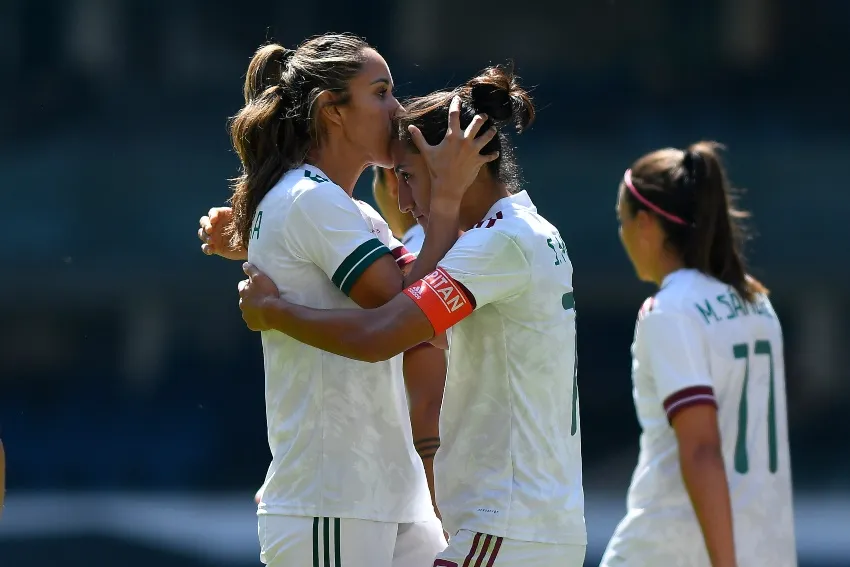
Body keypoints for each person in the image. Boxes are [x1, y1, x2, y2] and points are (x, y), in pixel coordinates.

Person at [236, 65, 588, 567]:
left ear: (457, 162)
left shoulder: (497, 245)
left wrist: (273, 312)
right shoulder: (520, 232)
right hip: (528, 525)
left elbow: (382, 334)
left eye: (406, 175)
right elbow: (380, 264)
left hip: (505, 528)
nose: (400, 199)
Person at [200, 33, 496, 567]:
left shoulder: (346, 211)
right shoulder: (310, 198)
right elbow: (412, 309)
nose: (397, 109)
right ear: (331, 112)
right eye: (380, 93)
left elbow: (418, 301)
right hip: (333, 499)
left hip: (381, 495)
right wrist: (448, 196)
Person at [601, 142, 796, 567]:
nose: (622, 234)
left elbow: (701, 449)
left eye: (623, 220)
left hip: (672, 549)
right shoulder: (757, 302)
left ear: (647, 224)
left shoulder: (670, 311)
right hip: (766, 548)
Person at [371, 165, 448, 517]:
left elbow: (429, 402)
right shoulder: (496, 238)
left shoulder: (414, 256)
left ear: (389, 178)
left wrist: (439, 517)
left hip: (431, 499)